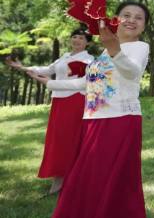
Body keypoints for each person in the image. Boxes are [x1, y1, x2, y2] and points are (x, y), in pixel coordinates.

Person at [30, 1, 154, 218]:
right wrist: (49, 83)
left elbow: (132, 72)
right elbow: (85, 84)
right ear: (115, 20)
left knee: (111, 178)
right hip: (94, 121)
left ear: (143, 26)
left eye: (138, 18)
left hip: (120, 119)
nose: (131, 20)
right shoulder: (100, 56)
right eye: (126, 15)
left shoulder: (138, 47)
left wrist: (115, 49)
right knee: (90, 178)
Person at [5, 28, 94, 194]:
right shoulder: (65, 57)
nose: (76, 40)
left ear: (88, 42)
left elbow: (86, 82)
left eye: (81, 38)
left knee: (69, 139)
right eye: (74, 36)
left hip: (75, 101)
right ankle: (61, 177)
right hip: (59, 101)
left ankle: (66, 179)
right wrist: (22, 67)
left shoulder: (90, 60)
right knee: (57, 139)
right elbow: (46, 70)